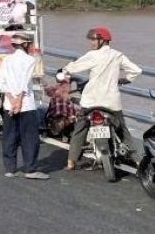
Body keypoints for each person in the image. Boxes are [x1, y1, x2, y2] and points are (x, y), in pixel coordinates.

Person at [57, 27, 141, 170]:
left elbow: (75, 66)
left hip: (91, 100)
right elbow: (137, 70)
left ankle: (71, 162)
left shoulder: (92, 55)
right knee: (123, 130)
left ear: (102, 40)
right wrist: (125, 80)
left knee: (80, 129)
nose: (91, 43)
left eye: (94, 40)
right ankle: (138, 162)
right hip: (111, 102)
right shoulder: (118, 55)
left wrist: (63, 71)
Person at [0, 30, 48, 179]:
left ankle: (10, 168)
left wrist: (12, 100)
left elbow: (2, 83)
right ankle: (30, 169)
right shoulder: (29, 60)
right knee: (29, 137)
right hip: (25, 104)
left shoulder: (6, 60)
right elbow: (25, 82)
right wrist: (19, 101)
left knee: (9, 136)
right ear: (26, 44)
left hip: (9, 104)